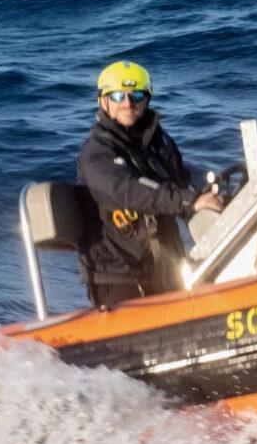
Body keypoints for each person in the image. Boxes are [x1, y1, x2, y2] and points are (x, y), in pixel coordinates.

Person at [77, 59, 224, 308]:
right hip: (120, 271)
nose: (127, 103)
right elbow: (129, 190)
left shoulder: (159, 142)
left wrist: (210, 195)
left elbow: (180, 179)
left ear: (146, 99)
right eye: (117, 96)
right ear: (103, 101)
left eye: (135, 94)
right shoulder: (96, 153)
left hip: (166, 263)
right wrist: (189, 200)